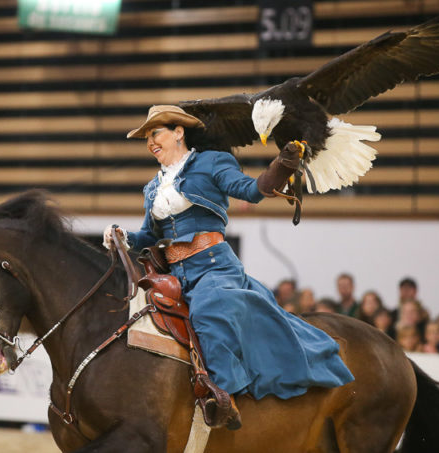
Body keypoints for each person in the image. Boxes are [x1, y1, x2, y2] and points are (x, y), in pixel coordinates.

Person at [104, 105, 354, 429]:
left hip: (214, 268)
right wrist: (123, 237)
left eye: (155, 133)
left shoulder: (211, 162)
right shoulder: (152, 188)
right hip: (173, 275)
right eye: (146, 138)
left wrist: (281, 166)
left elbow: (250, 190)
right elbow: (151, 235)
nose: (150, 141)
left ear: (178, 131)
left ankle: (225, 397)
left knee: (208, 310)